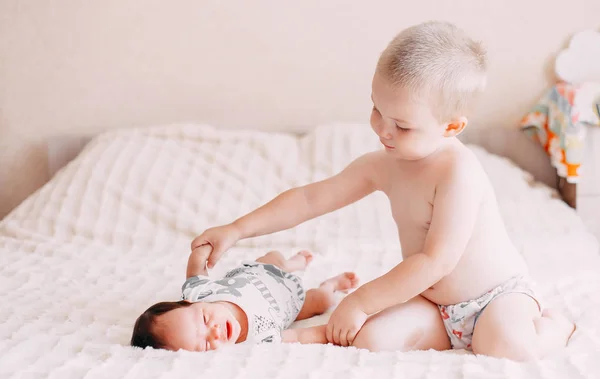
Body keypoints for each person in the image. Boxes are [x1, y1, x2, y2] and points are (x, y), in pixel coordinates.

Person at [187, 21, 575, 360]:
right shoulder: (384, 164)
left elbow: (434, 262)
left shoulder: (458, 173)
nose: (383, 130)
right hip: (435, 304)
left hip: (495, 296)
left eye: (402, 126)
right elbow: (310, 199)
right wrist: (236, 230)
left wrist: (360, 301)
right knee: (369, 339)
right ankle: (452, 336)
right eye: (377, 110)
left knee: (507, 347)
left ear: (452, 127)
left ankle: (557, 325)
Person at [130, 249, 359, 351]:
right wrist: (337, 332)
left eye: (205, 318)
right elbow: (300, 335)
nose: (215, 331)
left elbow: (195, 271)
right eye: (207, 344)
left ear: (192, 303)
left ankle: (292, 264)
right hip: (293, 301)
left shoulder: (199, 293)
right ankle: (331, 285)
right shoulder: (257, 340)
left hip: (264, 269)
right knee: (321, 301)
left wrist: (201, 251)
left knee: (273, 256)